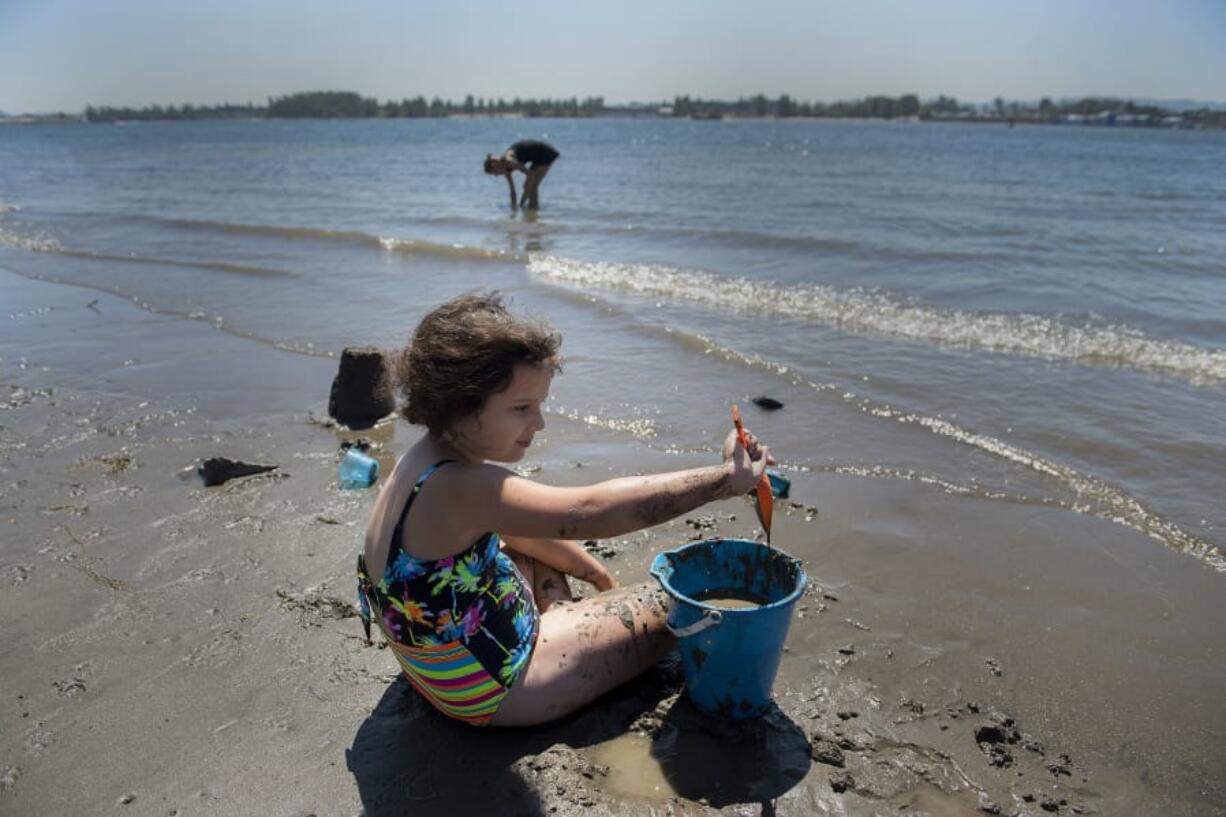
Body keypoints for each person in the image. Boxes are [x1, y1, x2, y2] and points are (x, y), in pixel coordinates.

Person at [356, 292, 771, 727]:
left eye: (539, 406)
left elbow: (523, 531)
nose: (538, 424)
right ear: (460, 402)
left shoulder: (422, 460)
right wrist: (725, 479)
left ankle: (562, 618)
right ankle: (563, 626)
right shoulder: (464, 486)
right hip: (494, 690)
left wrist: (594, 573)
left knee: (526, 548)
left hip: (441, 663)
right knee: (674, 602)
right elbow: (590, 511)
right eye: (521, 409)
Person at [483, 139, 559, 210]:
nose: (496, 175)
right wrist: (514, 208)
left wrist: (522, 203)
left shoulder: (509, 161)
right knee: (528, 186)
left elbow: (530, 174)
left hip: (546, 152)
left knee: (532, 186)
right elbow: (512, 190)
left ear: (495, 165)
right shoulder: (505, 169)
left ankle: (533, 212)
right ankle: (532, 213)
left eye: (495, 173)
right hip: (537, 157)